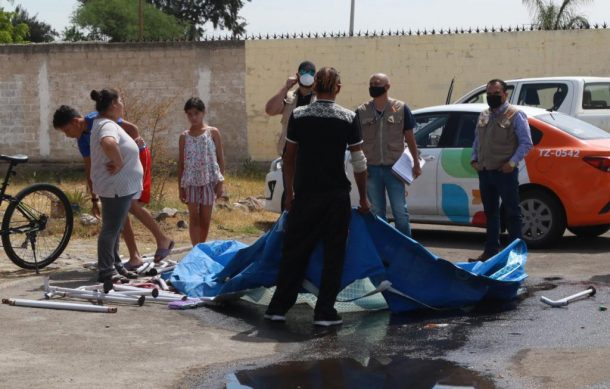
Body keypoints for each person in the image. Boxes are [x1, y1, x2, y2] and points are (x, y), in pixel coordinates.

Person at [264, 67, 370, 327]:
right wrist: (364, 198)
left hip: (305, 195)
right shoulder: (348, 117)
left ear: (314, 87)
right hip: (335, 197)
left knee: (295, 251)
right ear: (338, 88)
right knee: (334, 255)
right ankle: (324, 311)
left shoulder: (299, 115)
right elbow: (358, 161)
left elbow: (289, 158)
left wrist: (290, 193)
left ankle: (278, 308)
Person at [53, 106, 174, 269]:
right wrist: (94, 198)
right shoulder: (82, 140)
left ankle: (162, 240)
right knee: (120, 208)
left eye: (67, 130)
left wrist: (127, 153)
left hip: (131, 161)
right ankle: (135, 256)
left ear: (76, 122)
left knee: (129, 204)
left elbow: (132, 129)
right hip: (114, 168)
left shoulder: (98, 118)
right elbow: (90, 170)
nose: (67, 135)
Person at [470, 79, 533, 262]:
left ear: (505, 94)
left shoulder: (515, 115)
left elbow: (526, 143)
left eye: (496, 94)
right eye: (489, 94)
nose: (492, 97)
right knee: (490, 213)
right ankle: (491, 251)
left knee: (512, 213)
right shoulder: (484, 115)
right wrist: (474, 159)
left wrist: (511, 163)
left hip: (504, 172)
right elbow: (477, 140)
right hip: (485, 171)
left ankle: (516, 255)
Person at [87, 88, 143, 288]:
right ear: (113, 105)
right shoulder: (106, 125)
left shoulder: (105, 123)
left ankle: (115, 264)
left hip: (118, 186)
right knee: (110, 229)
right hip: (115, 186)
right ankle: (106, 272)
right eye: (121, 101)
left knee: (115, 227)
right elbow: (108, 143)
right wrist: (119, 162)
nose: (123, 105)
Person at [355, 73, 421, 237]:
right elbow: (356, 142)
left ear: (387, 87)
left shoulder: (400, 108)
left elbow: (410, 138)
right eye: (371, 83)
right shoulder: (362, 111)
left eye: (377, 83)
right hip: (371, 169)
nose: (373, 86)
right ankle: (383, 252)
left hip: (395, 169)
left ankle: (407, 250)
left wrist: (416, 163)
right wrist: (361, 167)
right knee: (377, 213)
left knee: (401, 213)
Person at [178, 97, 225, 245]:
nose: (193, 117)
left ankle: (201, 248)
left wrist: (220, 183)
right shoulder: (184, 136)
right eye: (189, 114)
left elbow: (220, 159)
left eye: (196, 113)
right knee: (194, 217)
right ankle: (195, 249)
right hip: (190, 182)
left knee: (205, 219)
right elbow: (181, 163)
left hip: (209, 182)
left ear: (203, 113)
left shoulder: (212, 133)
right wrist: (180, 187)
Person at [265, 60, 317, 156]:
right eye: (303, 72)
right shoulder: (289, 97)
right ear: (297, 75)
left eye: (311, 73)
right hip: (288, 154)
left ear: (315, 77)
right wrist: (286, 87)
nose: (307, 75)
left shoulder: (320, 99)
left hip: (311, 155)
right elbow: (270, 110)